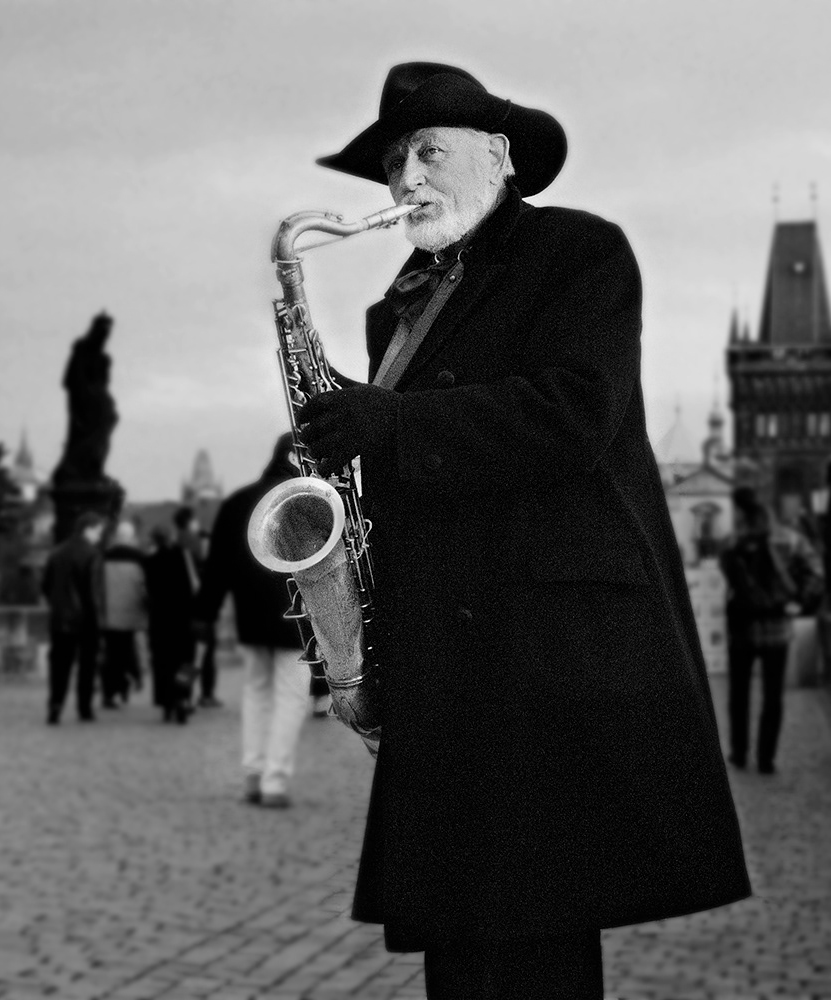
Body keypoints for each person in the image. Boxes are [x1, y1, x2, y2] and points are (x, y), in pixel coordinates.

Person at [294, 62, 751, 996]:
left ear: (498, 156)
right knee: (462, 953)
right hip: (444, 654)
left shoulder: (578, 250)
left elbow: (574, 414)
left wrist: (386, 422)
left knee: (534, 947)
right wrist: (341, 583)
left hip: (545, 651)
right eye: (392, 164)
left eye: (428, 151)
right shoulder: (403, 302)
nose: (405, 179)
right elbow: (413, 471)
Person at [194, 433, 309, 808]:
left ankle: (252, 773)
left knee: (257, 694)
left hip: (250, 617)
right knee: (290, 699)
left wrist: (205, 614)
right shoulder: (305, 498)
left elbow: (215, 570)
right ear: (295, 456)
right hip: (295, 619)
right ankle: (274, 781)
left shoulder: (237, 501)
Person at [719, 488, 823, 775]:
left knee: (739, 695)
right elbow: (816, 572)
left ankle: (740, 753)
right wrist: (799, 602)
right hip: (775, 626)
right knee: (771, 696)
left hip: (741, 627)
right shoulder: (788, 539)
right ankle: (765, 759)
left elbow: (726, 573)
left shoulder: (732, 542)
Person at [41, 512, 105, 724]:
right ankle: (84, 707)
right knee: (87, 666)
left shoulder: (56, 553)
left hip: (60, 618)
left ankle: (55, 704)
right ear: (88, 529)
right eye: (98, 532)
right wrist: (99, 622)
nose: (99, 537)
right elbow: (93, 593)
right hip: (85, 619)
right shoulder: (92, 554)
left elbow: (46, 586)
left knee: (59, 665)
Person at [144, 525, 197, 723]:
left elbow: (147, 592)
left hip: (159, 619)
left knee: (163, 661)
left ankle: (167, 702)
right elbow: (194, 586)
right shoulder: (183, 557)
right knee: (186, 660)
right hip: (184, 616)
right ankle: (183, 697)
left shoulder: (149, 561)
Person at [175, 507, 222, 709]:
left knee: (186, 654)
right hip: (201, 608)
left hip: (180, 609)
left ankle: (182, 695)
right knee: (205, 652)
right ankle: (206, 694)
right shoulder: (197, 542)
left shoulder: (175, 543)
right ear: (190, 521)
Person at [100, 520, 147, 709]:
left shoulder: (104, 556)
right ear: (131, 537)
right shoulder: (140, 558)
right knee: (127, 651)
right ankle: (126, 685)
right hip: (131, 613)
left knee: (111, 655)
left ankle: (110, 692)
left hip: (109, 614)